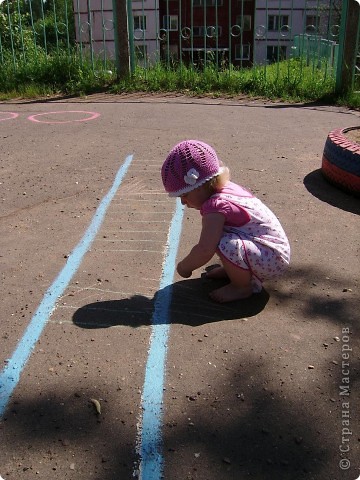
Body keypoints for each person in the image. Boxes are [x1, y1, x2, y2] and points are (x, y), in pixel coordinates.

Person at [161, 140, 290, 303]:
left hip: (273, 258)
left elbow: (205, 249)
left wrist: (184, 267)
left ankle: (242, 287)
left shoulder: (215, 206)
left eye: (184, 195)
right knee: (221, 236)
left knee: (222, 242)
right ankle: (237, 271)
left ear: (200, 186)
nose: (182, 202)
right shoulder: (225, 188)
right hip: (269, 249)